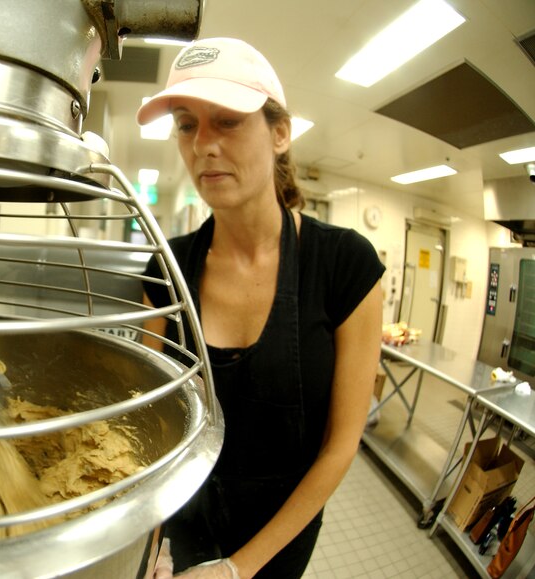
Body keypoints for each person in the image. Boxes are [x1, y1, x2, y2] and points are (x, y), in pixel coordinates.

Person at [136, 37, 385, 579]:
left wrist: (237, 570)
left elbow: (341, 444)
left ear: (280, 133)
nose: (203, 144)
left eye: (227, 121)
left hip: (281, 539)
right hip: (182, 525)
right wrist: (149, 542)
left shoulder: (345, 266)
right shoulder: (167, 269)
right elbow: (148, 423)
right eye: (186, 124)